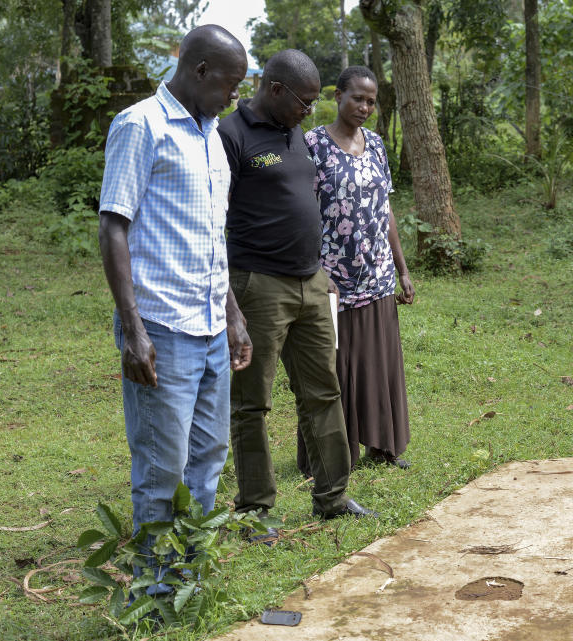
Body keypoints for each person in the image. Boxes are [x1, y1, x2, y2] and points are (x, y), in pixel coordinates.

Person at [97, 25, 252, 588]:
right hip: (162, 327)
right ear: (201, 71)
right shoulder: (140, 126)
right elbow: (114, 226)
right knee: (162, 468)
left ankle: (190, 577)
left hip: (210, 324)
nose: (236, 96)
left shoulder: (211, 134)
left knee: (208, 459)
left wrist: (232, 314)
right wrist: (133, 330)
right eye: (231, 84)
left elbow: (212, 236)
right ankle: (157, 593)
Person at [218, 49, 377, 521]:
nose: (310, 113)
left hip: (311, 280)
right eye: (304, 102)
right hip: (258, 284)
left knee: (322, 392)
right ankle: (255, 508)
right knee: (253, 403)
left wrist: (320, 272)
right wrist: (229, 301)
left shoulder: (295, 132)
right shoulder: (231, 135)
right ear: (274, 89)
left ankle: (332, 497)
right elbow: (213, 216)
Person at [299, 66, 415, 475]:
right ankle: (329, 456)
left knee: (378, 363)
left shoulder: (378, 145)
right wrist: (313, 268)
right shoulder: (312, 144)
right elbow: (300, 213)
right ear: (337, 96)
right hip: (331, 277)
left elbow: (386, 210)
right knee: (333, 366)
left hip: (378, 273)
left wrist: (401, 268)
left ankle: (383, 446)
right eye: (357, 99)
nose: (365, 107)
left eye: (371, 101)